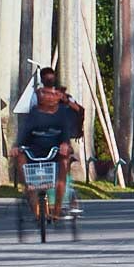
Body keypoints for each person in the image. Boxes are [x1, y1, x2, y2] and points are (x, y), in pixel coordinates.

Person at [13, 78, 80, 220]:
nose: (49, 98)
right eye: (45, 94)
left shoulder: (61, 114)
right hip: (35, 152)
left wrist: (65, 145)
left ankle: (57, 208)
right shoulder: (33, 115)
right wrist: (17, 147)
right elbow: (23, 134)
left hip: (54, 153)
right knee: (20, 158)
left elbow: (66, 135)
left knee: (63, 163)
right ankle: (29, 191)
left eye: (52, 95)